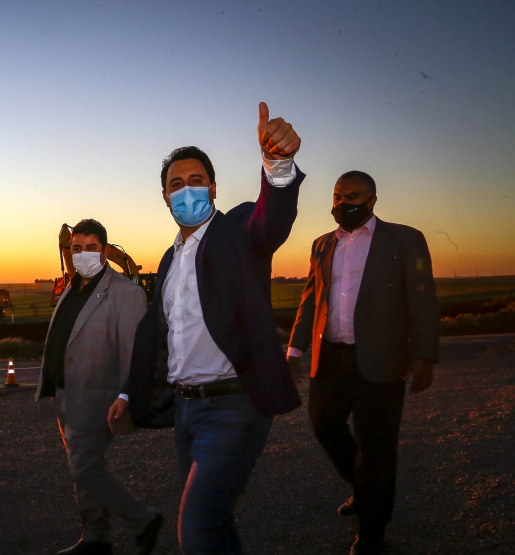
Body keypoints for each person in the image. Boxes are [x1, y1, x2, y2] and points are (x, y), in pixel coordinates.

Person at [112, 102, 304, 553]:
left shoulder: (236, 230)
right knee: (216, 523)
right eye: (176, 184)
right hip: (186, 410)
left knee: (196, 529)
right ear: (164, 196)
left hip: (234, 405)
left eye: (196, 180)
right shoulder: (168, 259)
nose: (186, 190)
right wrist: (128, 393)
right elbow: (156, 334)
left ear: (213, 188)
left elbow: (271, 220)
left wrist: (278, 165)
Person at [287, 171, 439, 554]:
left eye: (352, 197)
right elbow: (311, 298)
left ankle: (372, 531)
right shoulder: (322, 244)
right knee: (324, 425)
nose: (343, 203)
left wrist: (423, 355)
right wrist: (295, 349)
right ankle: (363, 486)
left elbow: (422, 298)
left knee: (376, 448)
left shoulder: (405, 239)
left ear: (372, 201)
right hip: (331, 357)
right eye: (338, 196)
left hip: (381, 360)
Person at [36, 219, 163, 555]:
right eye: (76, 248)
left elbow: (133, 353)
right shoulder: (71, 286)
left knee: (84, 467)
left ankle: (144, 519)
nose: (83, 254)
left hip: (98, 396)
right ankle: (96, 536)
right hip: (65, 392)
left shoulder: (127, 293)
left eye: (90, 248)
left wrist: (126, 396)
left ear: (105, 251)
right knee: (84, 467)